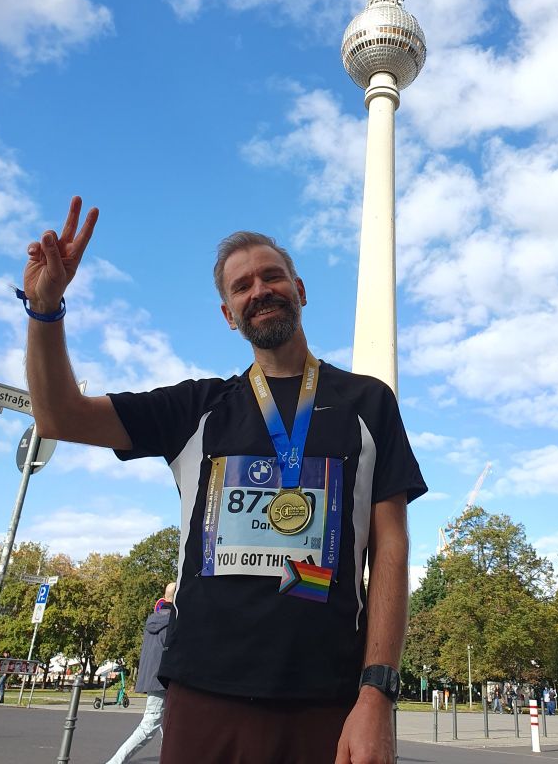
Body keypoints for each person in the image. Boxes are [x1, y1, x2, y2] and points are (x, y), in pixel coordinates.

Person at [22, 198, 427, 764]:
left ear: (301, 289)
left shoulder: (369, 404)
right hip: (202, 694)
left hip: (327, 699)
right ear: (227, 313)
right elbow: (59, 416)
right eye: (241, 286)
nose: (259, 290)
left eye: (272, 275)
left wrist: (377, 692)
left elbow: (391, 550)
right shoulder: (198, 408)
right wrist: (45, 312)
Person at [105, 583, 176, 764]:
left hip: (153, 678)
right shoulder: (175, 622)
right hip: (165, 680)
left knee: (168, 727)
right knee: (150, 725)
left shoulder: (152, 621)